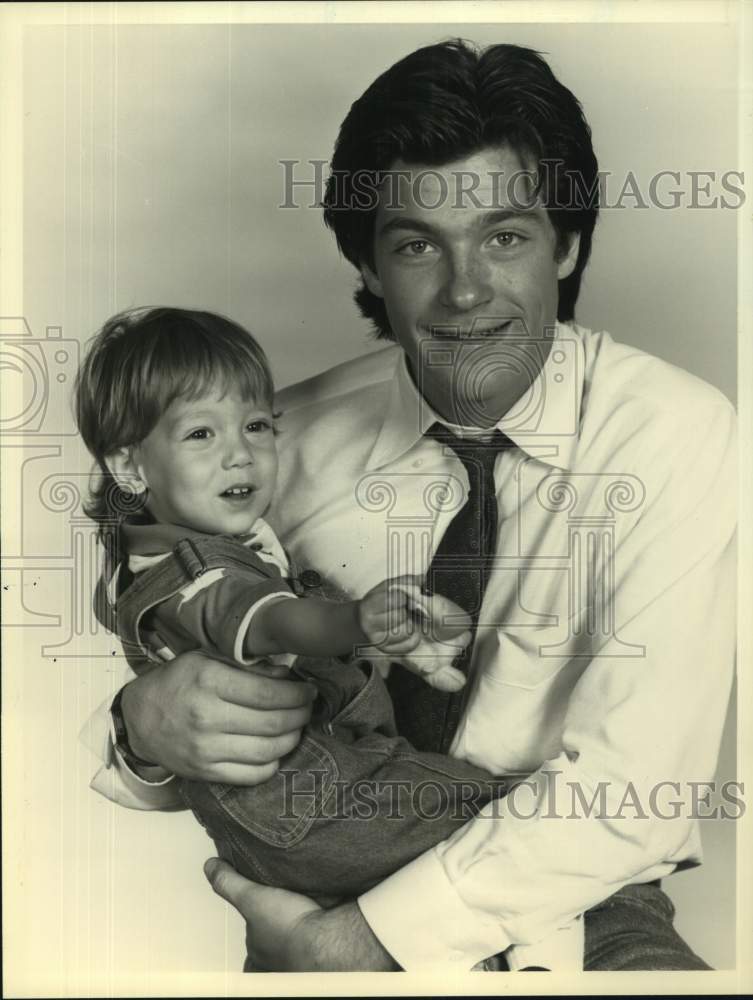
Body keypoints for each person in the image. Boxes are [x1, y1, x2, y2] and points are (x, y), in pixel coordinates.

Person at [82, 40, 737, 971]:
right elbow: (174, 607)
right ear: (370, 265)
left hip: (578, 918)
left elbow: (639, 793)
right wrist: (141, 729)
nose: (465, 289)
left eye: (505, 237)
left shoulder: (675, 434)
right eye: (417, 244)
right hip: (322, 888)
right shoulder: (274, 442)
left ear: (570, 244)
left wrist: (352, 949)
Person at [76, 305, 583, 970]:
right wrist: (355, 621)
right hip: (308, 802)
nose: (241, 452)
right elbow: (270, 620)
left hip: (299, 810)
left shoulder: (148, 556)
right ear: (129, 468)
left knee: (491, 838)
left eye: (257, 426)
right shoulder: (198, 573)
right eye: (200, 434)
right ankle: (545, 966)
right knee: (521, 827)